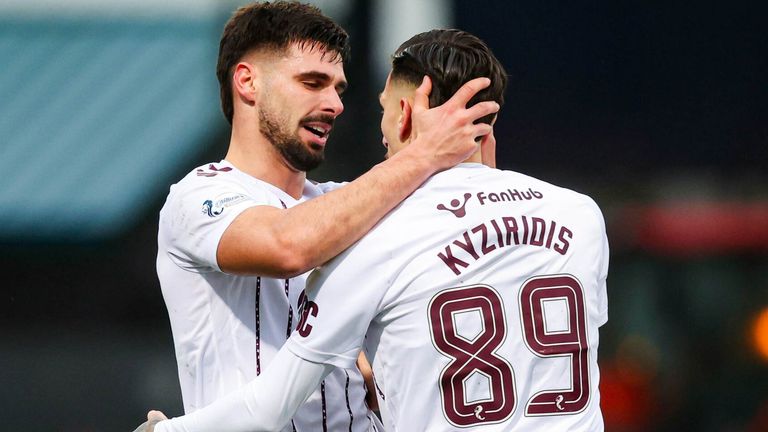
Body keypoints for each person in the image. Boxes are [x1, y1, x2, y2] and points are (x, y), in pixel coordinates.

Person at [144, 27, 608, 432]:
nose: (335, 105)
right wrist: (428, 156)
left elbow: (272, 403)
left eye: (340, 88)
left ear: (407, 113)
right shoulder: (581, 213)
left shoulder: (379, 228)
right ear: (247, 80)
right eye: (312, 83)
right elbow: (289, 244)